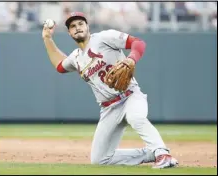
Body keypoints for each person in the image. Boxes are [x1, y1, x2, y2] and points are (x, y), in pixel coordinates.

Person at [42, 11, 179, 169]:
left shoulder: (104, 38)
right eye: (73, 26)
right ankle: (150, 154)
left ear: (87, 26)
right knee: (99, 159)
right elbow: (60, 66)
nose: (77, 27)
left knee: (136, 118)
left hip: (129, 96)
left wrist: (131, 58)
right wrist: (47, 38)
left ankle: (163, 154)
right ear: (69, 32)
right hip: (108, 108)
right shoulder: (76, 57)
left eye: (80, 24)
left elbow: (138, 43)